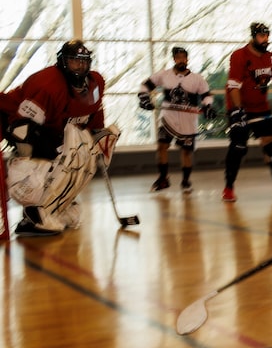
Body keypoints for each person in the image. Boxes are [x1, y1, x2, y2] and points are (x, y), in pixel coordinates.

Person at [0, 40, 116, 236]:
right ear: (62, 62)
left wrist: (99, 137)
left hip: (50, 131)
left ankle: (57, 206)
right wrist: (33, 161)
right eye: (74, 61)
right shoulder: (47, 84)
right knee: (57, 162)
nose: (80, 66)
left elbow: (94, 117)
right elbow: (22, 129)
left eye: (83, 61)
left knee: (83, 160)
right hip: (21, 126)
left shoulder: (96, 83)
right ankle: (34, 213)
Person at [222, 22, 272, 202]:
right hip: (238, 105)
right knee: (238, 147)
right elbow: (233, 86)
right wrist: (238, 111)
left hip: (260, 107)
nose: (265, 40)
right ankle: (228, 188)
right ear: (253, 36)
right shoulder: (239, 56)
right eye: (261, 36)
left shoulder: (269, 57)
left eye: (267, 36)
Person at [139, 46, 216, 193]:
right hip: (168, 118)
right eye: (178, 57)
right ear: (174, 59)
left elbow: (207, 95)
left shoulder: (197, 79)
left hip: (188, 121)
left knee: (186, 152)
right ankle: (163, 178)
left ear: (187, 59)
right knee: (162, 146)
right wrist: (144, 98)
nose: (181, 60)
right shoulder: (165, 75)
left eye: (184, 57)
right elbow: (146, 85)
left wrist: (208, 107)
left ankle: (186, 181)